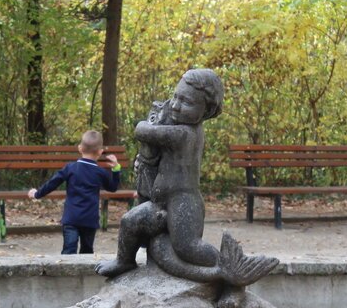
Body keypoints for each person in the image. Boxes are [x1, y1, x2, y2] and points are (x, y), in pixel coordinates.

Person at [97, 68, 223, 277]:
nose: (175, 105)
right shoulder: (178, 125)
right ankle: (124, 261)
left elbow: (143, 131)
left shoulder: (186, 134)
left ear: (207, 111)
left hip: (183, 203)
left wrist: (148, 122)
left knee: (188, 247)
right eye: (175, 97)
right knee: (129, 221)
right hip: (160, 201)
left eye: (186, 102)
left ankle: (226, 265)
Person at [27, 130, 121, 254]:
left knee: (69, 250)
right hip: (90, 219)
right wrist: (116, 168)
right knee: (87, 251)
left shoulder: (70, 168)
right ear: (100, 152)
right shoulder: (100, 172)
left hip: (71, 218)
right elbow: (113, 187)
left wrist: (37, 194)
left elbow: (53, 183)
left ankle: (67, 266)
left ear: (80, 148)